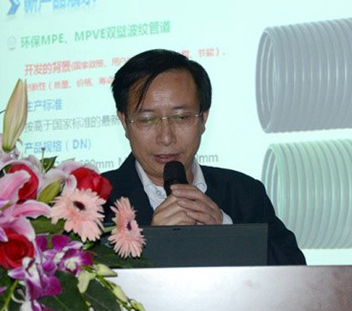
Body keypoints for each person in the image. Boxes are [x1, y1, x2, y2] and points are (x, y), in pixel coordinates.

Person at [102, 49, 305, 265]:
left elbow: (296, 273)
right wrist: (153, 244)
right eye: (147, 120)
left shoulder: (245, 193)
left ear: (203, 119)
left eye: (181, 117)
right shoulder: (94, 203)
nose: (166, 137)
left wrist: (227, 231)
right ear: (124, 123)